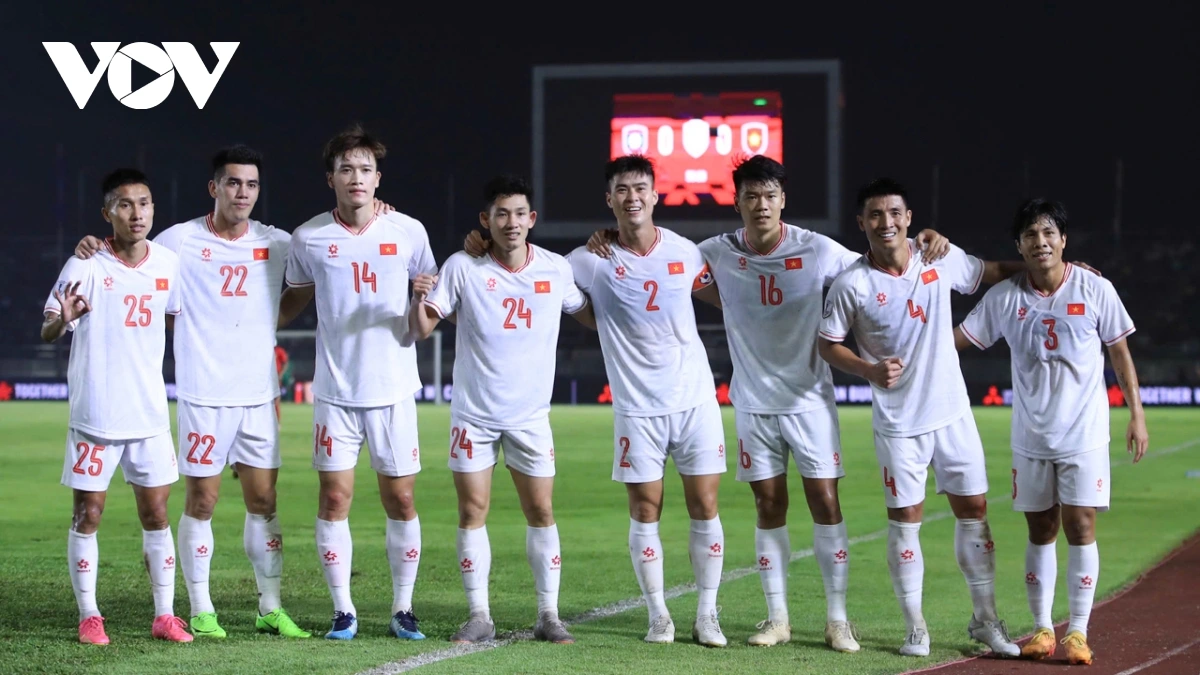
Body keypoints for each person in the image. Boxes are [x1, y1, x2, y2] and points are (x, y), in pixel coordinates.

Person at [690, 156, 951, 651]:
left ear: (783, 200)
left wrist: (923, 240)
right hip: (753, 404)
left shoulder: (817, 249)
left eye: (770, 195)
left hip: (810, 401)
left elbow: (877, 261)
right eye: (751, 196)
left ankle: (837, 620)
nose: (761, 204)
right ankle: (777, 619)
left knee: (825, 503)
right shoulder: (717, 251)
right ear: (737, 202)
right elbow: (660, 262)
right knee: (768, 505)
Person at [73, 146, 315, 639]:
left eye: (250, 185)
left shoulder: (280, 243)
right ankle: (202, 609)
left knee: (264, 502)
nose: (242, 192)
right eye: (232, 183)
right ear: (214, 188)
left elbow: (312, 275)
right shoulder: (178, 240)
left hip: (257, 395)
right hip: (203, 394)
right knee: (201, 502)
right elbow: (134, 264)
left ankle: (270, 606)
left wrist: (271, 318)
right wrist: (92, 247)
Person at [817, 178, 1023, 658]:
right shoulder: (853, 283)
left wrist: (1047, 266)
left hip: (952, 413)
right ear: (861, 223)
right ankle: (915, 627)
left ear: (908, 218)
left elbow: (989, 271)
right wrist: (867, 368)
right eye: (875, 215)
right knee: (904, 522)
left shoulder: (938, 256)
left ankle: (987, 620)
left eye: (894, 213)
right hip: (899, 424)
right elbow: (827, 344)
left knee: (974, 513)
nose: (885, 222)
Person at [955, 198, 1147, 666]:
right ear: (1018, 245)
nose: (1040, 242)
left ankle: (1077, 632)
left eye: (1047, 233)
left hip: (1084, 433)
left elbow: (1120, 354)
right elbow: (953, 341)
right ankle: (1042, 629)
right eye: (1029, 236)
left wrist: (1136, 415)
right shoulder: (1004, 299)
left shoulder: (1096, 288)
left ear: (1063, 239)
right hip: (1031, 436)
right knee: (1041, 528)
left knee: (1081, 526)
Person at [409, 175, 594, 644]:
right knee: (472, 510)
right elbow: (423, 327)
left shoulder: (555, 268)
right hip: (473, 414)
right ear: (486, 221)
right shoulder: (462, 266)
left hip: (531, 416)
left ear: (532, 219)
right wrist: (417, 299)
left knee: (541, 510)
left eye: (519, 214)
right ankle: (479, 614)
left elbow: (587, 312)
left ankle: (549, 615)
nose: (511, 223)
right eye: (501, 214)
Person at [278, 124, 436, 641]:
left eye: (365, 169)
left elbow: (426, 313)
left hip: (393, 390)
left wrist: (418, 300)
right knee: (333, 499)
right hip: (335, 393)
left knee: (402, 501)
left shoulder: (408, 231)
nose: (356, 178)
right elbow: (295, 297)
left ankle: (403, 608)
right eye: (346, 169)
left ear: (377, 178)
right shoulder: (308, 237)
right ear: (331, 179)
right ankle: (343, 610)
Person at [568, 155, 730, 646]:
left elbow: (728, 297)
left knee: (705, 504)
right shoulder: (588, 259)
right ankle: (658, 614)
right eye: (622, 189)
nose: (632, 196)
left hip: (694, 399)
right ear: (609, 199)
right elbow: (550, 287)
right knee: (645, 510)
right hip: (637, 408)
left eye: (641, 187)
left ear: (656, 195)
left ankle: (707, 614)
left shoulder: (686, 252)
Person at [44, 168, 191, 644]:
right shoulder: (84, 263)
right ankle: (89, 614)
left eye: (144, 203)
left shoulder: (168, 264)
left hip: (148, 413)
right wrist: (61, 320)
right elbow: (48, 329)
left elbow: (176, 323)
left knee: (157, 515)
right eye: (125, 204)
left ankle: (165, 615)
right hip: (96, 413)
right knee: (88, 514)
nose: (137, 213)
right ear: (108, 212)